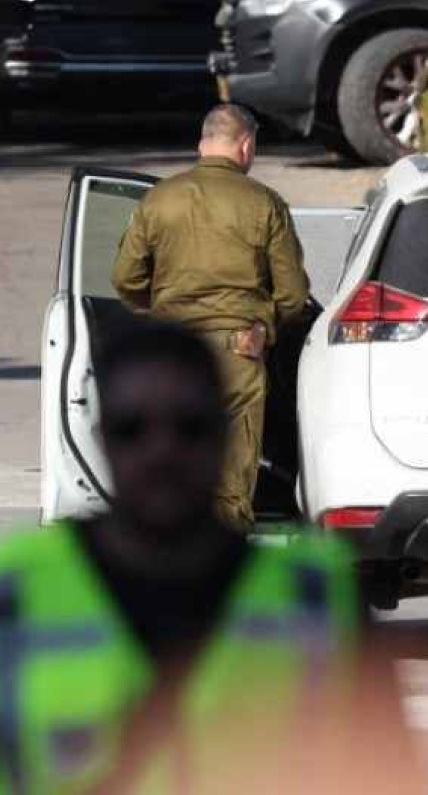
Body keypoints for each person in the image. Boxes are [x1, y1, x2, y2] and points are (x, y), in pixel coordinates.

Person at [0, 321, 413, 795]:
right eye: (134, 429)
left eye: (188, 428)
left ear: (224, 435)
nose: (162, 451)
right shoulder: (8, 595)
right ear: (102, 436)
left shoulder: (318, 601)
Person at [110, 104, 309, 533]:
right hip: (239, 350)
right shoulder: (265, 204)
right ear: (247, 145)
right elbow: (293, 296)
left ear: (202, 145)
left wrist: (160, 311)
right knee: (231, 480)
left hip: (172, 353)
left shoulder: (159, 199)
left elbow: (125, 279)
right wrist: (263, 326)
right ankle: (219, 566)